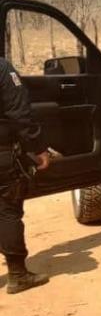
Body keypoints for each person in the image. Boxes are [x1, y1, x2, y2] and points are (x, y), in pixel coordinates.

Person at [0, 58, 51, 294]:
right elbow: (20, 113)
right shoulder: (2, 68)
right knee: (8, 209)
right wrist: (39, 148)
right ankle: (18, 275)